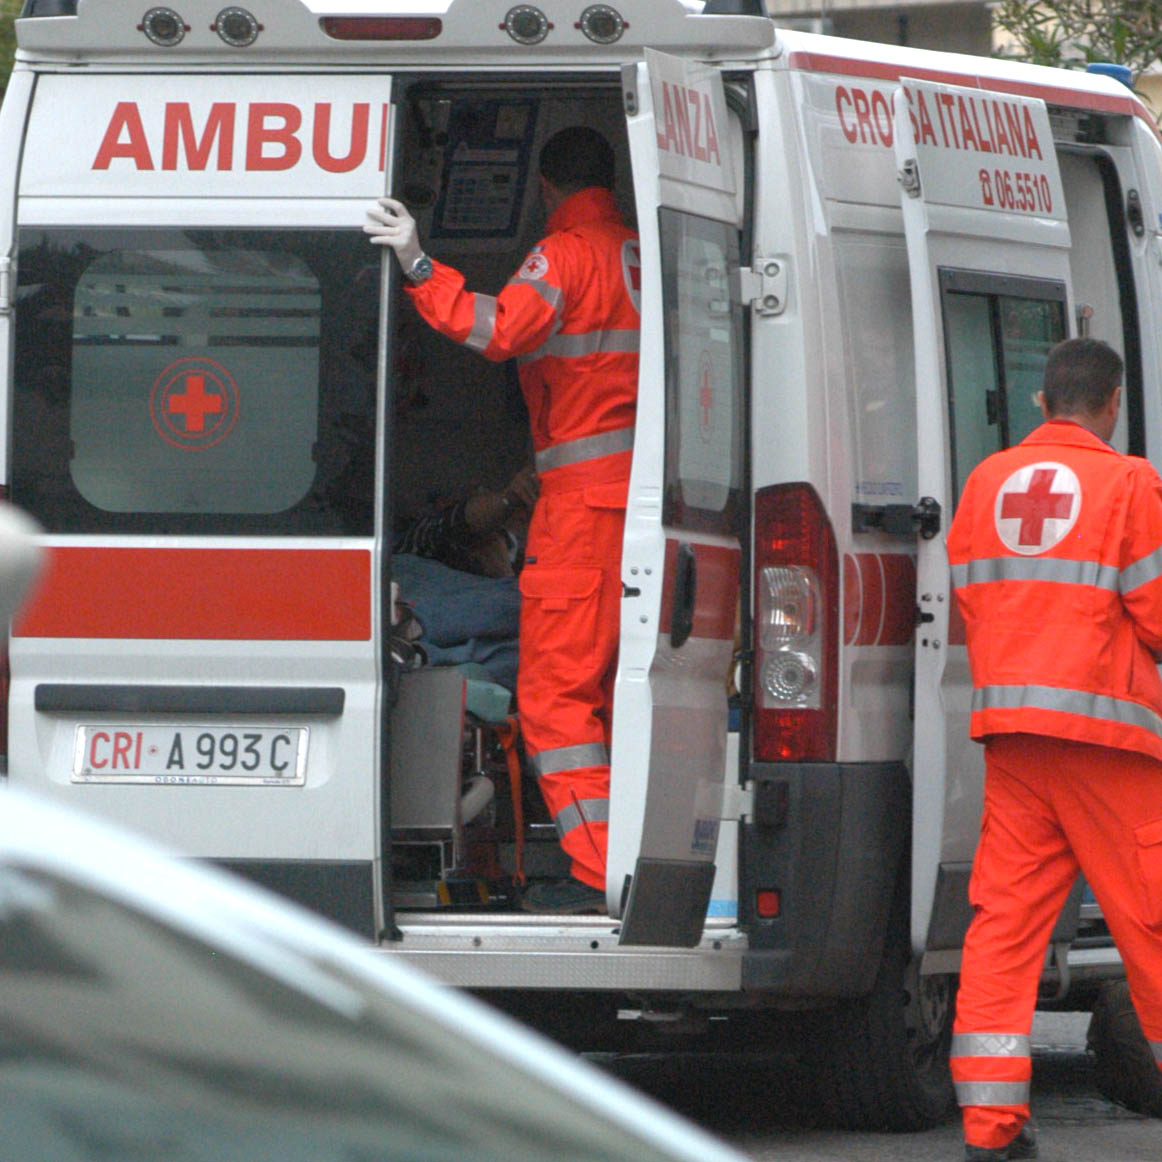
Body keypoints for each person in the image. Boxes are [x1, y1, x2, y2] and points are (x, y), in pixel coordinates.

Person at [366, 126, 640, 914]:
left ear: (546, 188)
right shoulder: (647, 255)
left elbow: (499, 330)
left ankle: (600, 871)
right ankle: (632, 860)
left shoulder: (567, 256)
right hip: (645, 507)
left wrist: (419, 264)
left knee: (555, 698)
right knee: (616, 695)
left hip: (581, 511)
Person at [946, 337, 1162, 1161]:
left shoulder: (985, 481)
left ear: (1041, 402)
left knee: (1004, 929)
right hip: (1108, 742)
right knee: (1152, 923)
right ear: (1113, 404)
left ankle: (991, 1128)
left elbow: (974, 598)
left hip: (1014, 740)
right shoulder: (1129, 482)